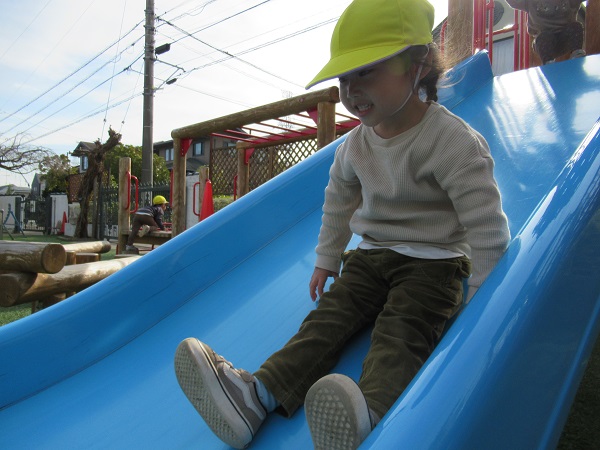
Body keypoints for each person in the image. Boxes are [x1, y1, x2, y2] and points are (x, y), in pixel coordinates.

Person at [173, 0, 511, 448]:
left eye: (366, 72)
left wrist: (485, 296)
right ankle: (256, 396)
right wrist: (327, 258)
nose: (352, 90)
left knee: (402, 331)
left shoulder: (451, 142)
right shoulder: (354, 146)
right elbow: (338, 202)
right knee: (327, 320)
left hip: (435, 262)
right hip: (370, 257)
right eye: (344, 79)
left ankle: (370, 415)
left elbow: (485, 222)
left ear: (417, 63)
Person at [506, 0, 585, 64]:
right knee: (545, 36)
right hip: (545, 41)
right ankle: (548, 61)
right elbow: (513, 2)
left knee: (575, 26)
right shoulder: (531, 2)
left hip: (565, 38)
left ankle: (577, 52)